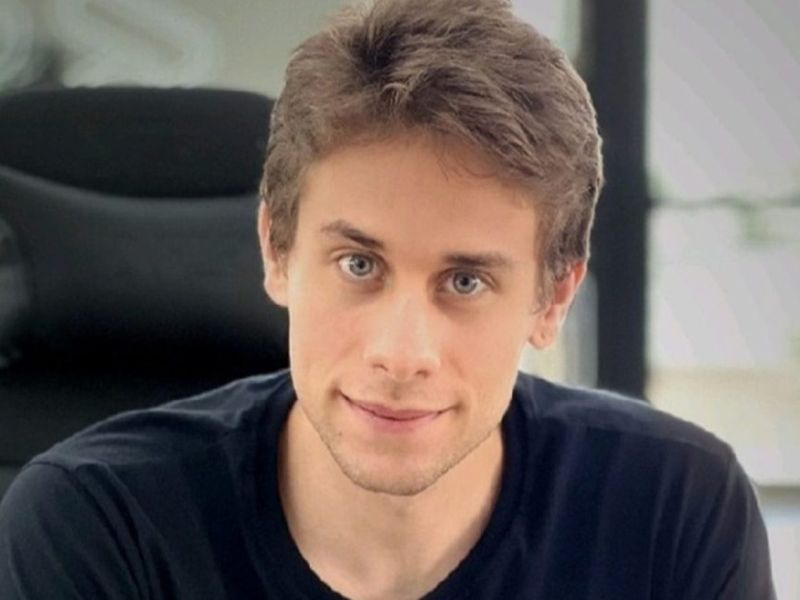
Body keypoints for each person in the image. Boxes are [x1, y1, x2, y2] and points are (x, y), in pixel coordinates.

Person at [0, 0, 775, 598]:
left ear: (552, 299)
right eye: (359, 265)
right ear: (276, 250)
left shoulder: (674, 507)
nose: (401, 355)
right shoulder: (96, 524)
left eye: (465, 282)